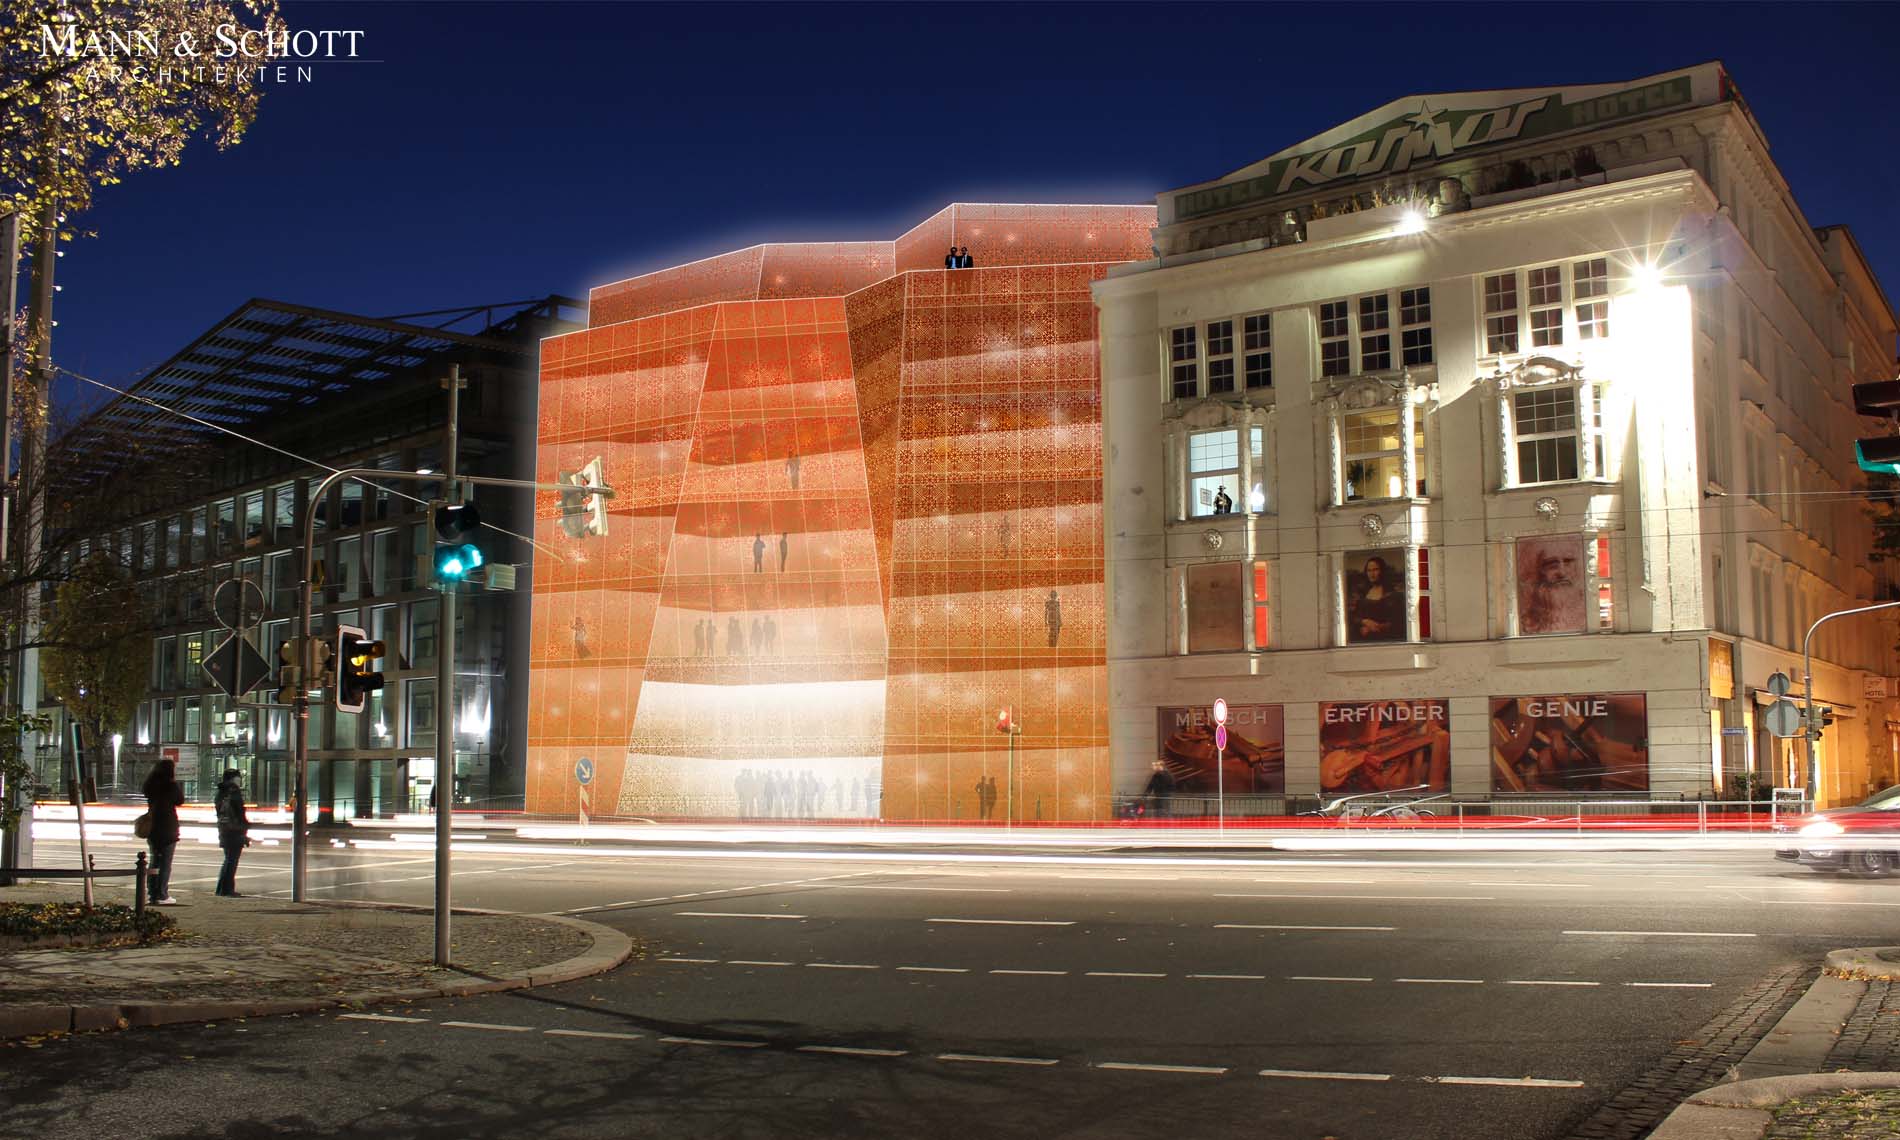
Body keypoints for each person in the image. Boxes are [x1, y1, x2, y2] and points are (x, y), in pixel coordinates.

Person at [142, 758, 185, 906]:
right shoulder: (170, 785)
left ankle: (152, 893)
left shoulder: (150, 785)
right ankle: (162, 894)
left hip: (153, 827)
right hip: (168, 827)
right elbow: (180, 800)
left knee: (155, 861)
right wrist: (175, 783)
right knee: (165, 863)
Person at [1518, 541, 1586, 634]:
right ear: (1541, 572)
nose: (1562, 573)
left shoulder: (1586, 614)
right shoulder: (1527, 621)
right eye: (1552, 565)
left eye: (1568, 563)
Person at [1347, 555, 1404, 642]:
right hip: (1361, 639)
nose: (1372, 574)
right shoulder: (1362, 593)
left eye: (1375, 569)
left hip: (1384, 639)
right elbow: (1353, 616)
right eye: (1369, 570)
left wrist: (1374, 628)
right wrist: (1364, 622)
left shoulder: (1393, 594)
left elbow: (1397, 622)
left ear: (1382, 571)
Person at [214, 769, 252, 897]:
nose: (239, 780)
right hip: (235, 830)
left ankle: (221, 889)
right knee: (232, 860)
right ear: (233, 779)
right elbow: (239, 812)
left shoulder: (220, 792)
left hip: (224, 829)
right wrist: (246, 825)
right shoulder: (234, 792)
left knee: (228, 859)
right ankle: (227, 889)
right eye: (238, 777)